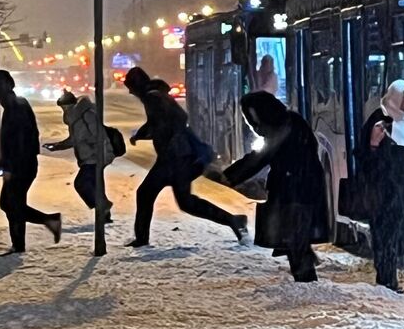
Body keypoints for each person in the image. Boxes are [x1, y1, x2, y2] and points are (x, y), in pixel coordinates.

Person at [123, 67, 247, 247]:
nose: (130, 92)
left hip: (174, 158)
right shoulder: (156, 95)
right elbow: (159, 121)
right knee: (186, 203)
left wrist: (167, 137)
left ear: (137, 85)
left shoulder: (152, 97)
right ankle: (234, 221)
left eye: (131, 87)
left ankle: (141, 239)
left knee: (146, 193)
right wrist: (141, 134)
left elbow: (175, 119)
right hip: (178, 157)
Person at [216, 92, 330, 281]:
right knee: (295, 236)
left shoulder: (284, 127)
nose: (255, 128)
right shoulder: (287, 122)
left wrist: (227, 177)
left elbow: (259, 158)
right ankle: (305, 274)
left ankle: (306, 280)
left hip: (297, 190)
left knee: (295, 236)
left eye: (254, 122)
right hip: (298, 187)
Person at [0, 70, 61, 252]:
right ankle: (23, 240)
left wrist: (10, 167)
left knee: (11, 203)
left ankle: (47, 223)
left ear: (7, 86)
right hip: (20, 165)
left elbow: (19, 142)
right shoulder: (14, 105)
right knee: (11, 203)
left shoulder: (16, 107)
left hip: (21, 166)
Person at [359, 79, 404, 292]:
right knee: (384, 236)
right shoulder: (378, 121)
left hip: (399, 192)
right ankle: (386, 280)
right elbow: (366, 158)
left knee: (393, 236)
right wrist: (374, 144)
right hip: (381, 192)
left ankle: (389, 279)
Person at [45, 90, 114, 220]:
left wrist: (97, 151)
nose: (63, 110)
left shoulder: (86, 114)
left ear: (71, 105)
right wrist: (57, 146)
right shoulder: (75, 118)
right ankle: (104, 215)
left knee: (81, 183)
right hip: (88, 156)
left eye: (64, 107)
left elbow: (98, 136)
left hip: (95, 156)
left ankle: (103, 206)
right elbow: (74, 139)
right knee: (95, 185)